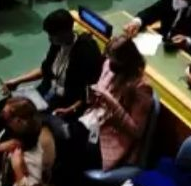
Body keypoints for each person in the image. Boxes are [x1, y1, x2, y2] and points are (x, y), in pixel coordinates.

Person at [53, 38, 154, 178]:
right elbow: (97, 99)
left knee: (66, 143)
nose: (109, 62)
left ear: (127, 62)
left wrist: (109, 100)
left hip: (110, 140)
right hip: (92, 123)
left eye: (114, 60)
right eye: (109, 57)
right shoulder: (108, 65)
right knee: (59, 139)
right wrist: (79, 104)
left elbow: (136, 131)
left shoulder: (141, 87)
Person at [0, 8, 102, 112]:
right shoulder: (57, 44)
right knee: (5, 105)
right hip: (47, 91)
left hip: (66, 102)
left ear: (65, 32)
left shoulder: (86, 51)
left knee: (19, 113)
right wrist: (17, 81)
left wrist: (72, 109)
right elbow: (45, 69)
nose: (49, 39)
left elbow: (90, 90)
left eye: (52, 36)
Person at [0, 96, 57, 186]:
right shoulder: (12, 129)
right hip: (3, 184)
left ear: (18, 121)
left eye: (5, 116)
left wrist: (18, 170)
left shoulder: (37, 149)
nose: (2, 118)